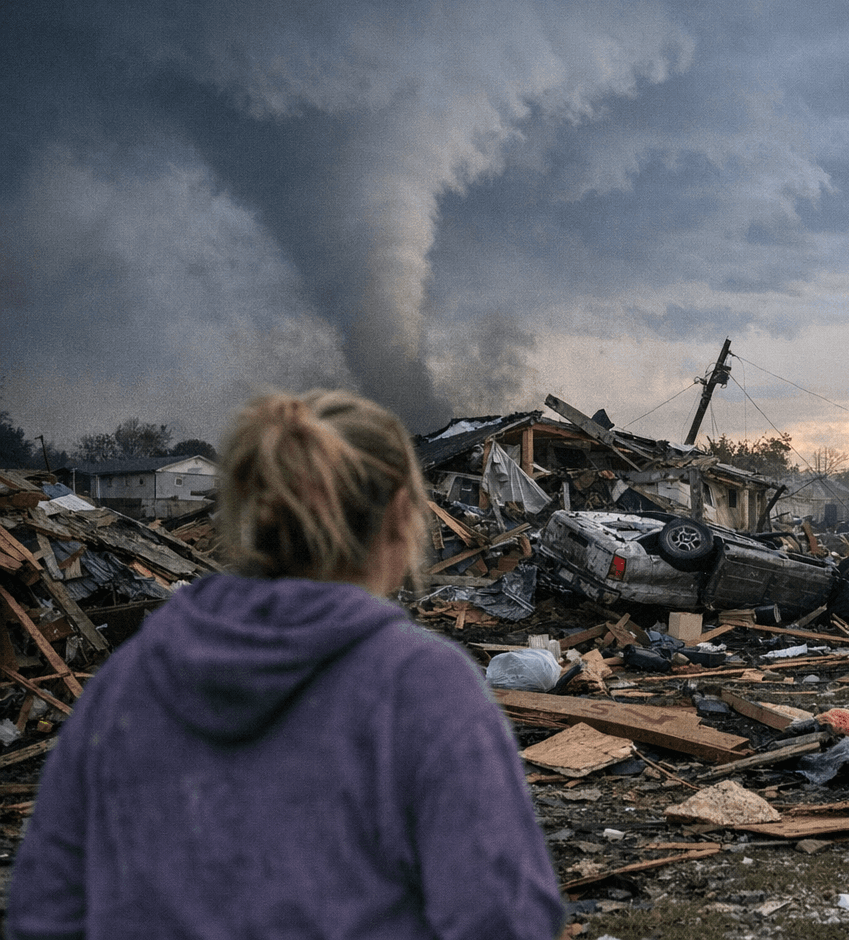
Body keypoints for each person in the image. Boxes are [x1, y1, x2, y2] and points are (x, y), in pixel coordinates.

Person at [7, 390, 566, 940]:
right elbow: (505, 919)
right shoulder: (420, 688)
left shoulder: (129, 683)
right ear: (401, 513)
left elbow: (43, 910)